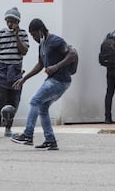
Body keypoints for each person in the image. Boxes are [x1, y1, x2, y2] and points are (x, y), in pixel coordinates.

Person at [10, 18, 76, 150]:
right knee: (43, 108)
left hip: (60, 80)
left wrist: (56, 66)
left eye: (34, 34)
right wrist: (24, 78)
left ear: (40, 31)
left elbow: (72, 54)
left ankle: (28, 135)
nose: (33, 38)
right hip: (55, 80)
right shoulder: (42, 45)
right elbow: (40, 64)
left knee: (35, 101)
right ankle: (50, 141)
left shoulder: (56, 41)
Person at [0, 7, 29, 138]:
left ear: (18, 22)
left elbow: (24, 51)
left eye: (12, 21)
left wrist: (16, 36)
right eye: (8, 21)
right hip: (2, 72)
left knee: (13, 101)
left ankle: (8, 128)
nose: (10, 24)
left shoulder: (23, 34)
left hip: (16, 72)